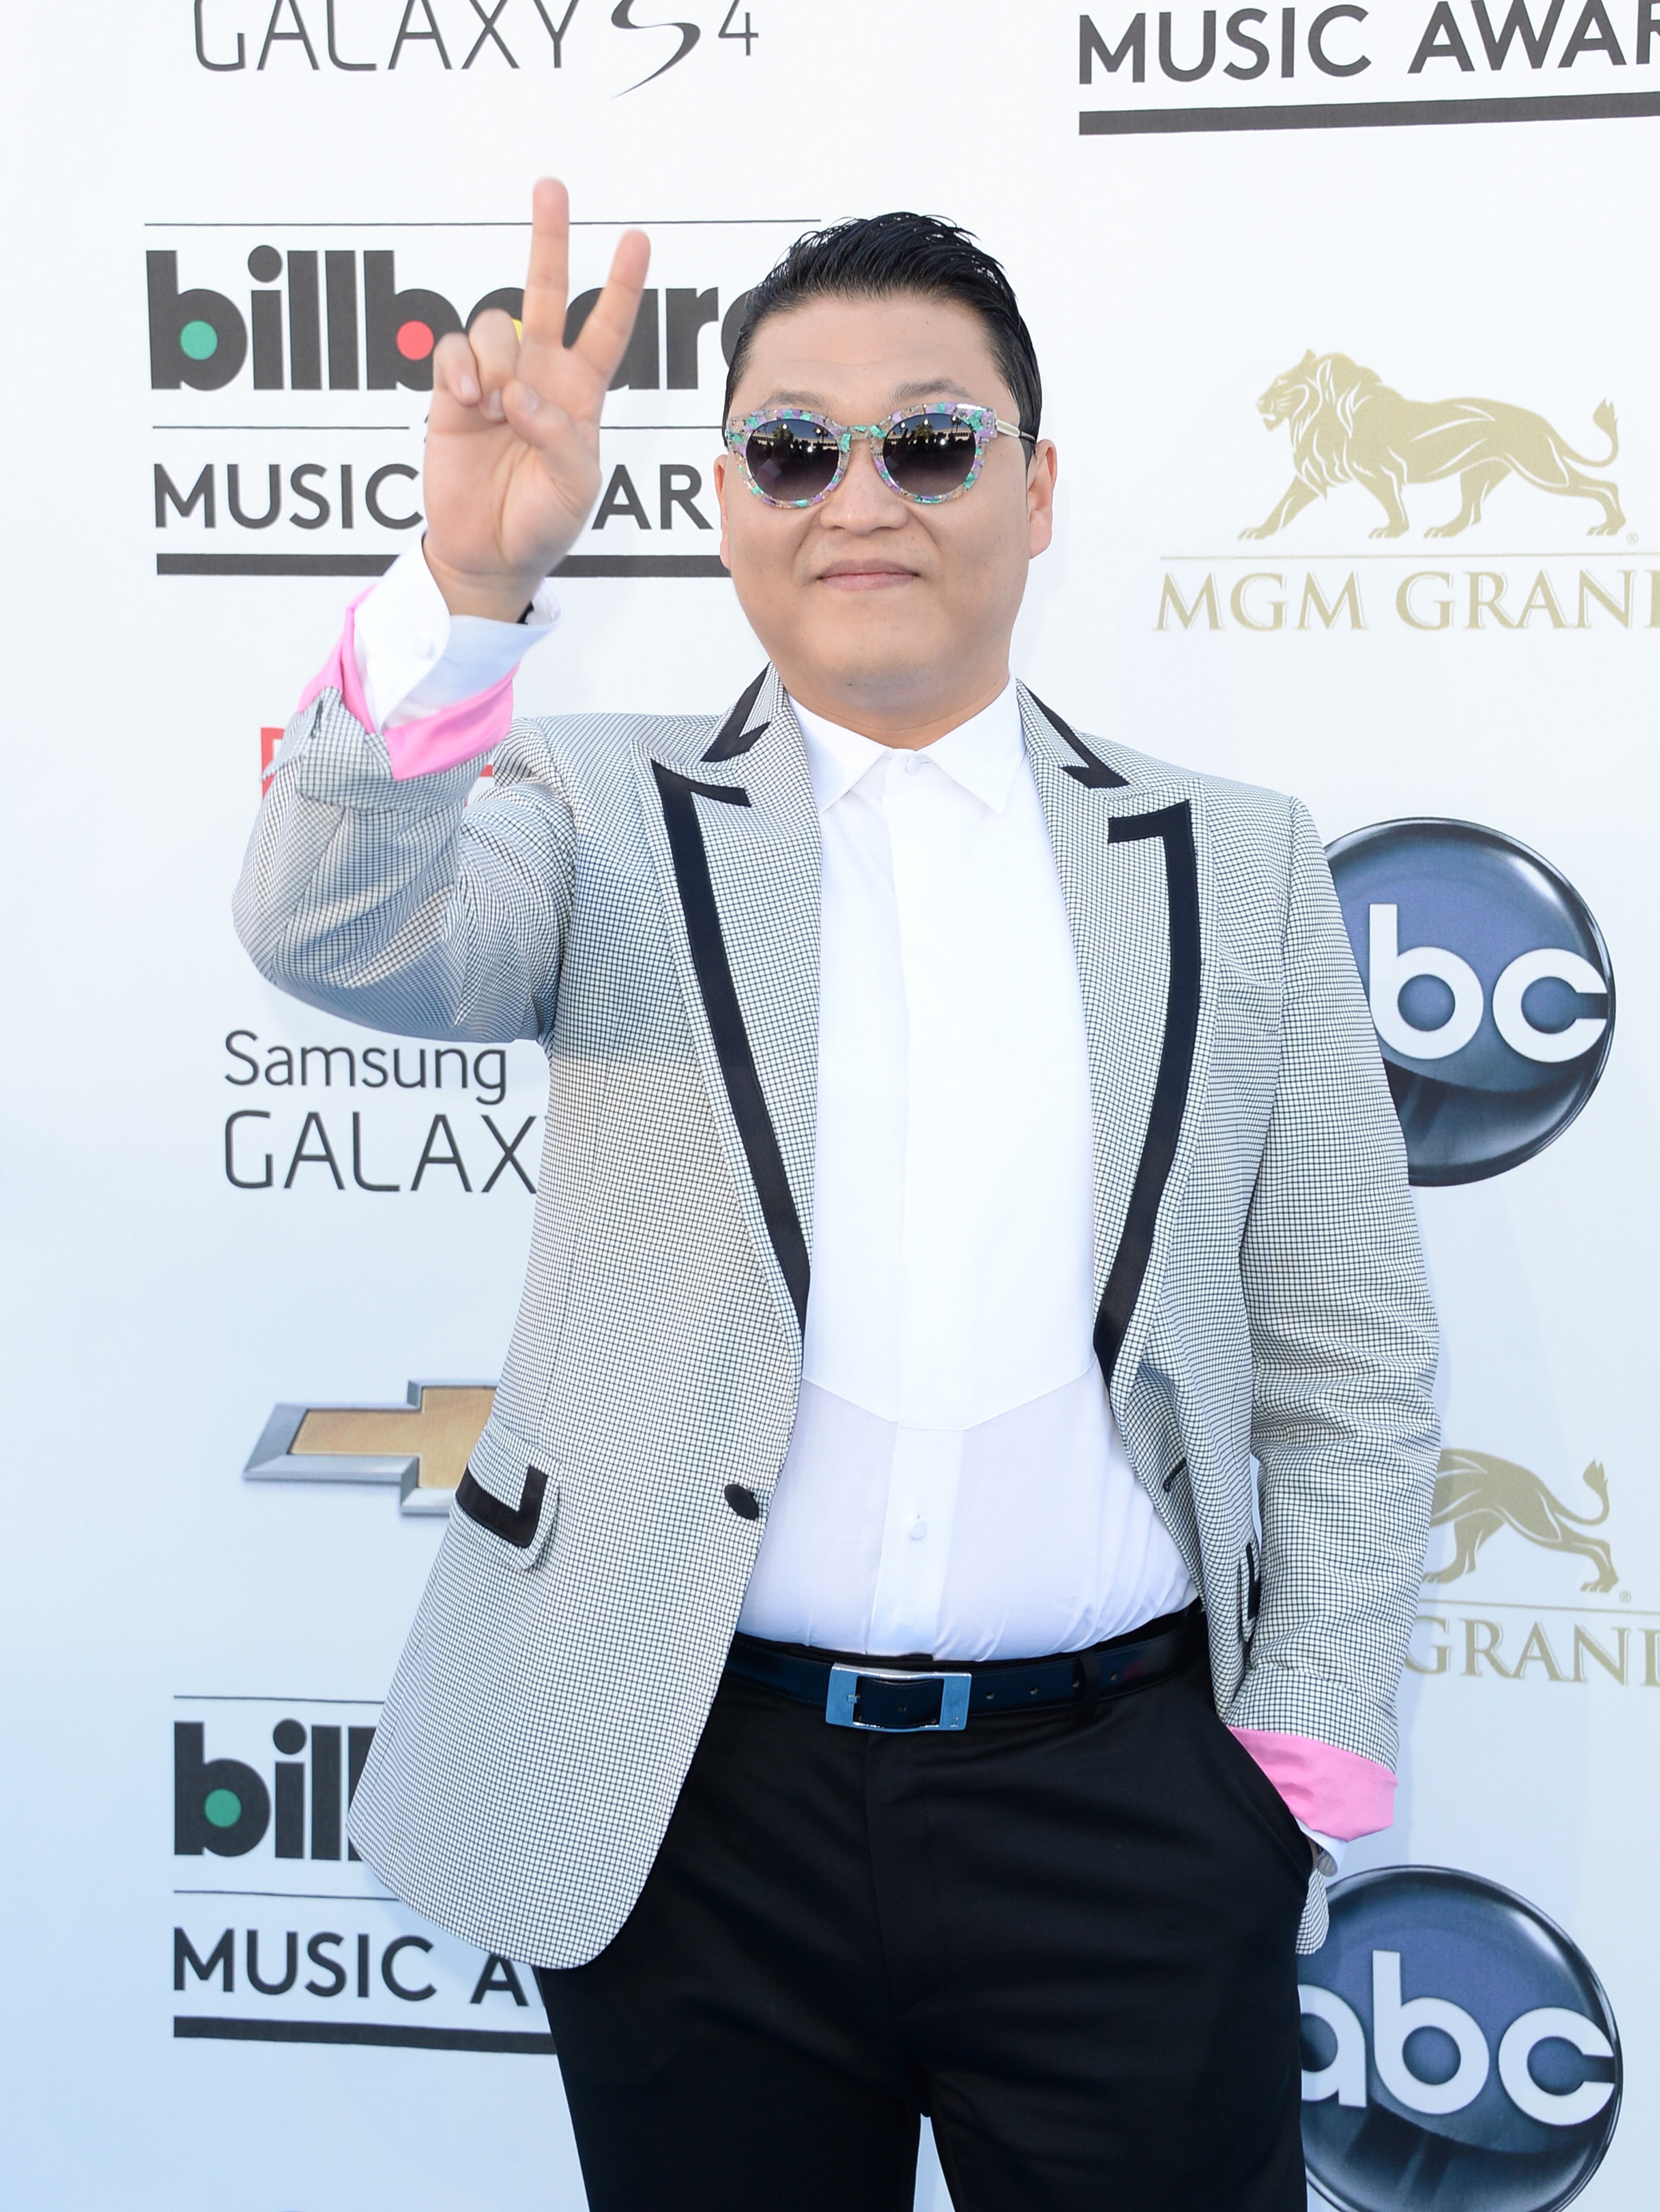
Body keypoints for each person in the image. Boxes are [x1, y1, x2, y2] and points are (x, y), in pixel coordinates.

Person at [236, 179, 1439, 2212]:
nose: (859, 494)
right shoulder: (594, 811)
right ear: (726, 498)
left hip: (1132, 1815)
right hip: (693, 1805)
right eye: (795, 445)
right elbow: (330, 926)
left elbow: (1349, 1350)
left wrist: (1289, 1776)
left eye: (931, 440)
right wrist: (461, 586)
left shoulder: (1236, 861)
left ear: (1035, 488)